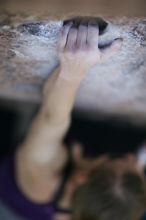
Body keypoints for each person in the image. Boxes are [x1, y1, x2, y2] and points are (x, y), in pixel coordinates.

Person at [0, 21, 146, 220]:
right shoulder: (106, 207)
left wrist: (73, 71)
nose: (134, 159)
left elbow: (52, 119)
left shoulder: (42, 181)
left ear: (80, 178)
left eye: (118, 159)